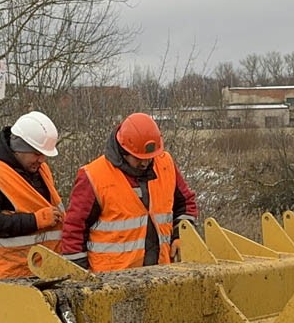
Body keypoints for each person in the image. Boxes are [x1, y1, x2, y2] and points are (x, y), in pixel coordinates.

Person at [61, 112, 198, 271]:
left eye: (150, 157)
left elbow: (186, 204)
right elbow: (74, 230)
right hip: (111, 282)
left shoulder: (165, 164)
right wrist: (80, 279)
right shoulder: (94, 176)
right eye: (139, 158)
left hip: (161, 274)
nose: (145, 162)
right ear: (124, 151)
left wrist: (181, 235)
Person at [0, 111, 65, 280]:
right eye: (36, 153)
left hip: (47, 271)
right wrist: (35, 220)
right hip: (10, 277)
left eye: (44, 154)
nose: (42, 159)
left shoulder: (41, 169)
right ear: (19, 148)